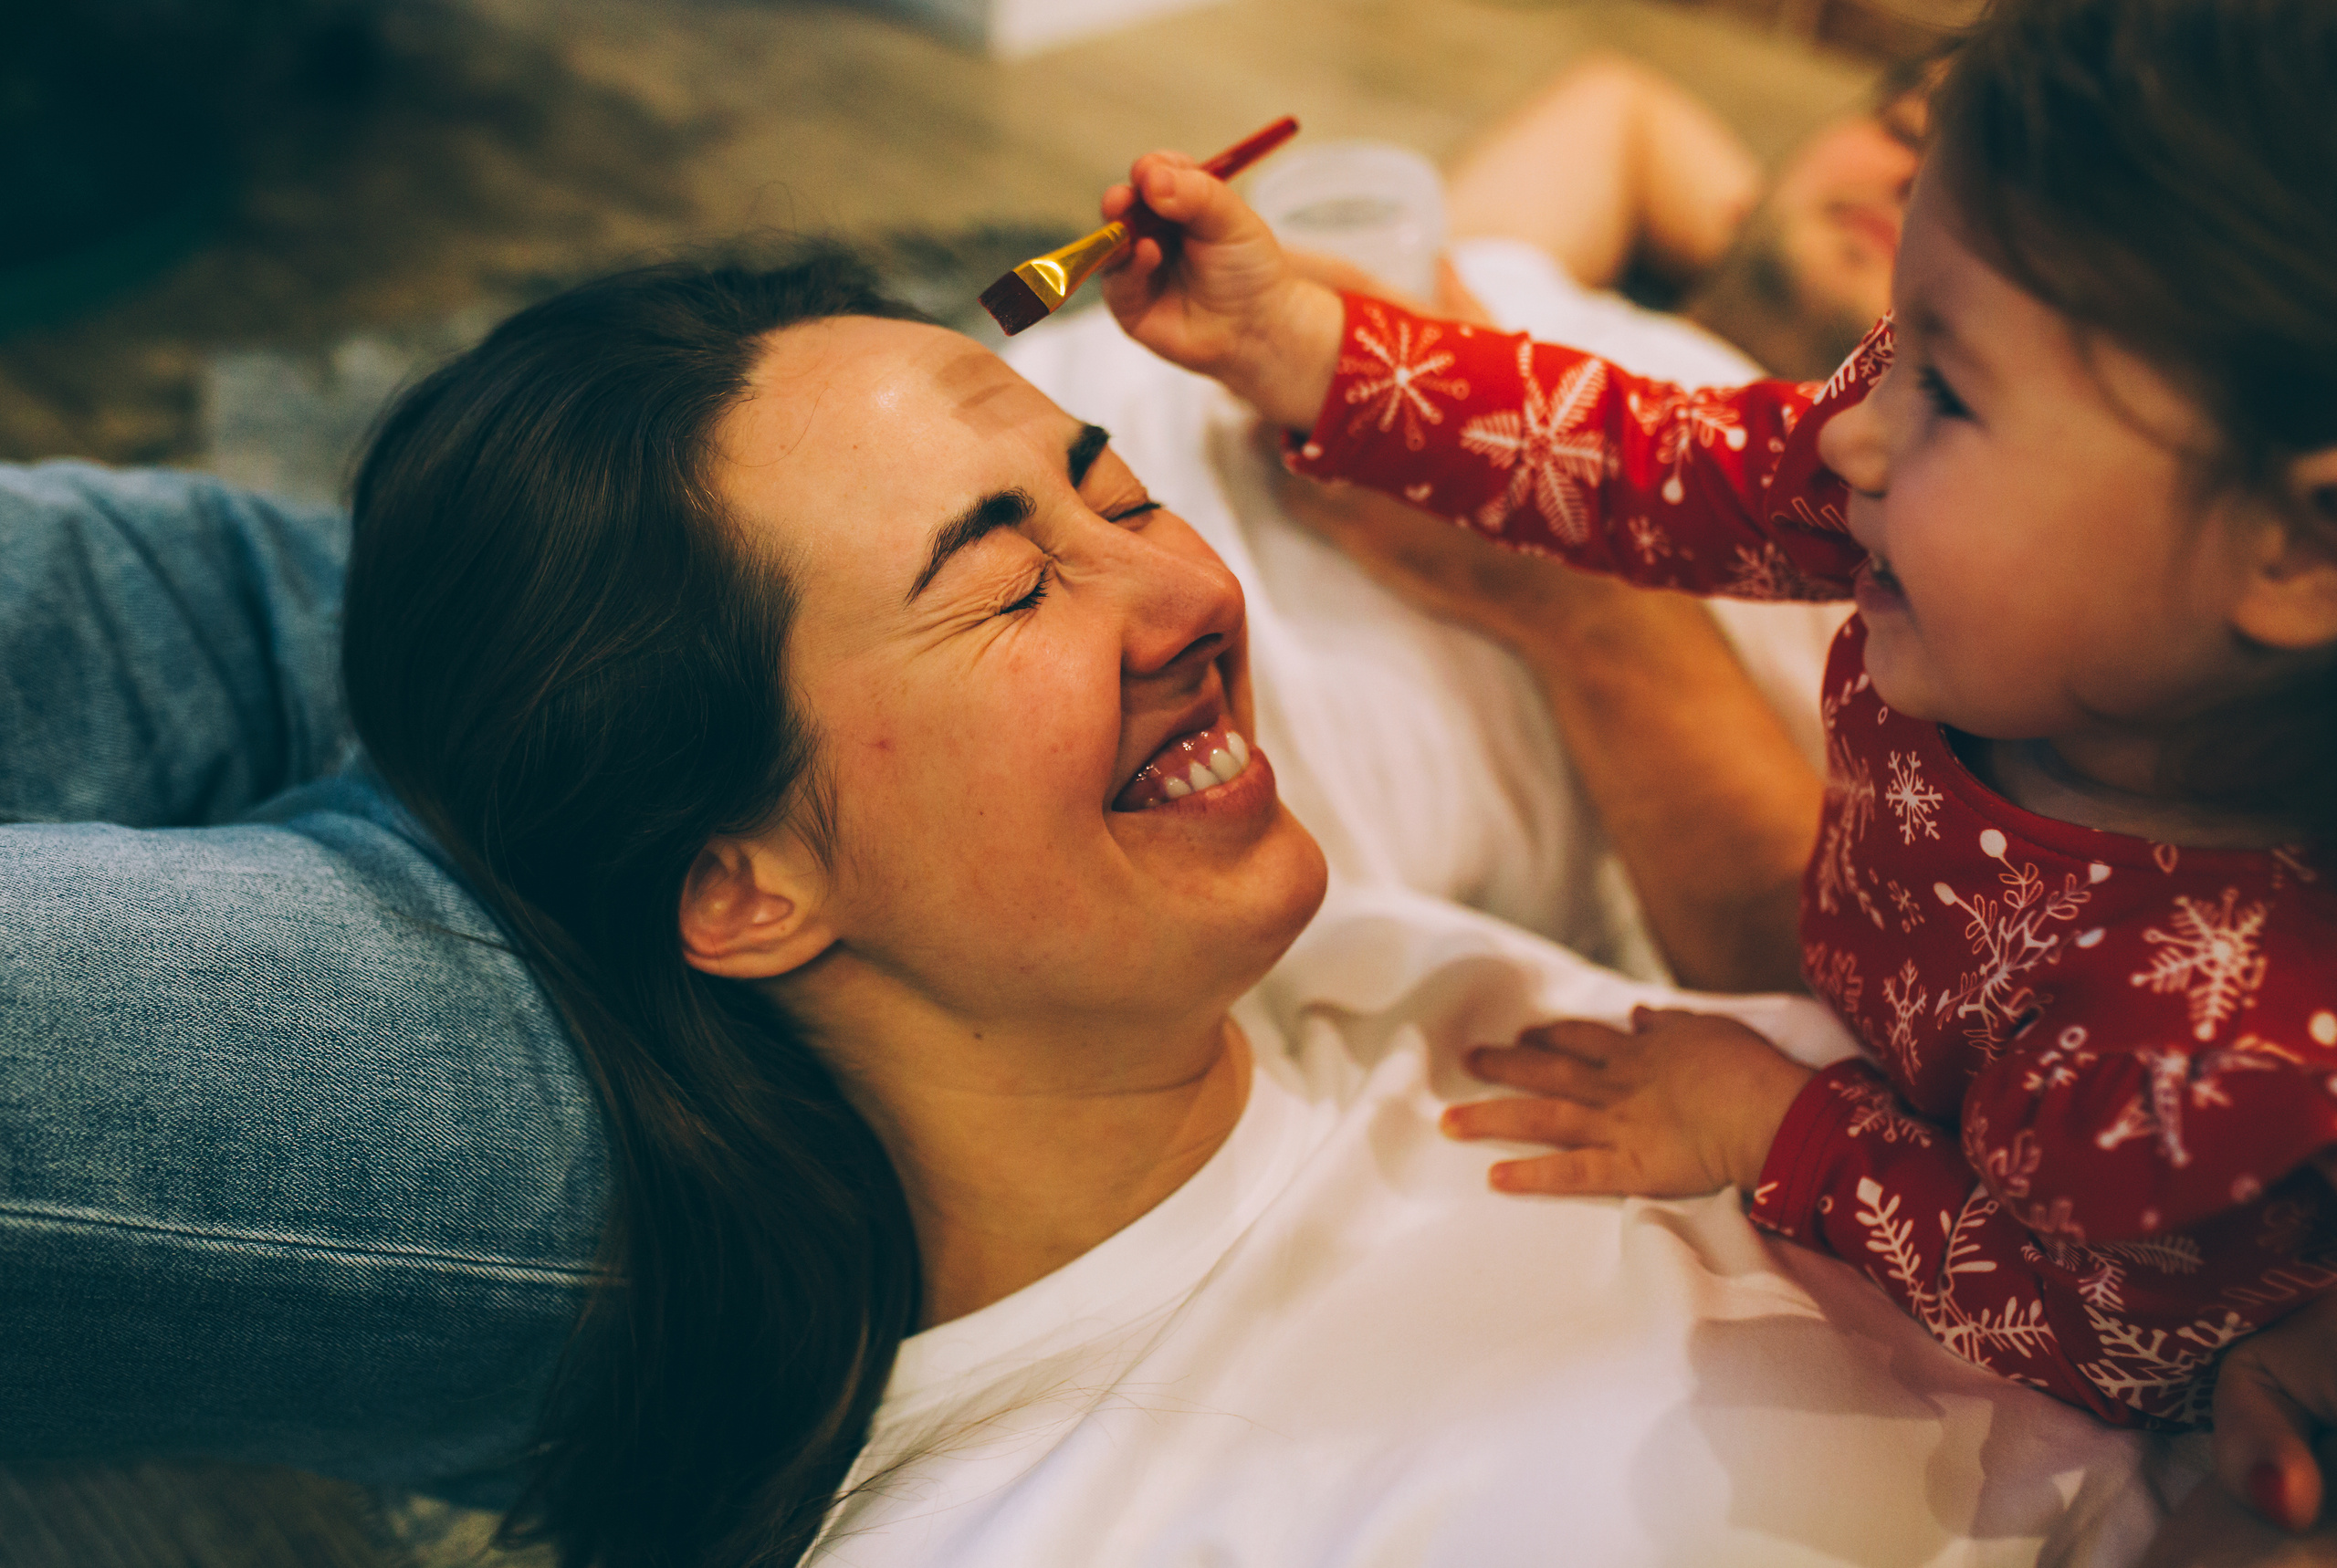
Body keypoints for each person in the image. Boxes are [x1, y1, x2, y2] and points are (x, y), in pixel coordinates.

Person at [320, 250, 2173, 1565]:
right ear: (739, 886)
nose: (1179, 594)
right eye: (1003, 586)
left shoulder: (1368, 970)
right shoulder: (1048, 1517)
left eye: (1109, 486)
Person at [1100, 0, 2337, 1528]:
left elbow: (2109, 1331)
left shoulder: (2213, 1049)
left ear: (2298, 545)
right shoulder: (1901, 485)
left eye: (1950, 393)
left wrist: (1783, 1121)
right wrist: (1303, 342)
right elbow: (1659, 462)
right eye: (1893, 351)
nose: (1851, 440)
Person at [1270, 50, 1934, 992]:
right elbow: (1619, 110)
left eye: (1984, 197)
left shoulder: (1907, 536)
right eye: (1902, 131)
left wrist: (1549, 568)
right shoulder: (1512, 279)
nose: (1913, 176)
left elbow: (1838, 978)